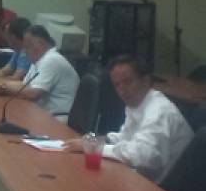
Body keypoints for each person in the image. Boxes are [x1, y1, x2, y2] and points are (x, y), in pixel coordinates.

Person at [64, 55, 194, 182]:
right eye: (117, 85)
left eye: (128, 82)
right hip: (145, 178)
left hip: (169, 188)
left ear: (146, 81)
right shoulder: (137, 103)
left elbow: (142, 155)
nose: (122, 90)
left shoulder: (159, 111)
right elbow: (127, 137)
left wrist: (94, 148)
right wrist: (96, 140)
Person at [0, 25, 79, 119]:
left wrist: (2, 87)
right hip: (43, 114)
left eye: (28, 46)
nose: (24, 51)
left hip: (58, 118)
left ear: (41, 44)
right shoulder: (38, 59)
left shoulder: (52, 59)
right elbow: (24, 85)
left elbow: (33, 93)